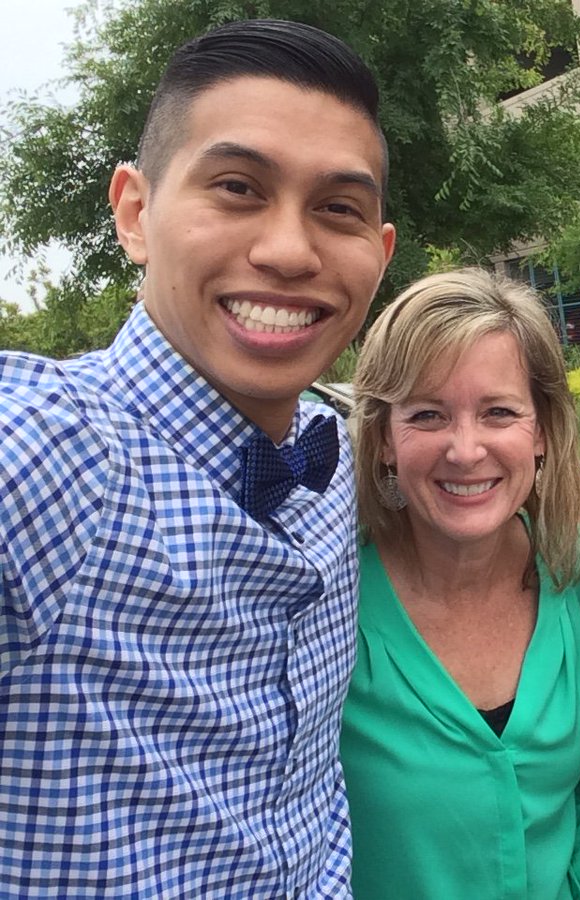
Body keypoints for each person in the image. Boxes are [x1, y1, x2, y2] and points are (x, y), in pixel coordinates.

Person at [0, 20, 395, 895]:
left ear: (380, 251)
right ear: (135, 213)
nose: (289, 251)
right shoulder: (50, 450)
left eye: (338, 208)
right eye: (237, 187)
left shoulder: (331, 457)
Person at [340, 269, 580, 900]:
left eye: (498, 412)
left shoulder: (572, 566)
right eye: (427, 414)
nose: (466, 449)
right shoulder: (329, 600)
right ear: (386, 440)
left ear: (543, 433)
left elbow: (572, 791)